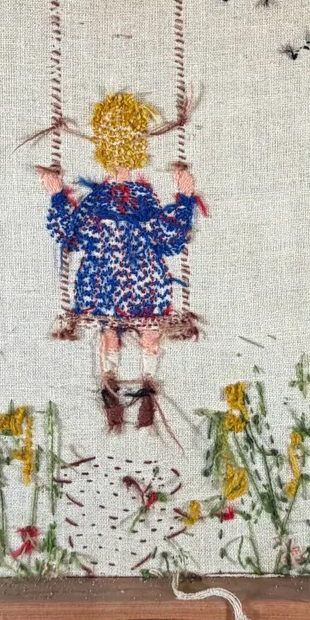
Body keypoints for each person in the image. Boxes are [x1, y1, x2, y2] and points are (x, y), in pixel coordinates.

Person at [37, 92, 201, 431]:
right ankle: (118, 393)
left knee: (134, 332)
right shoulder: (107, 199)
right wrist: (56, 194)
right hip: (122, 282)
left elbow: (165, 236)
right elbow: (71, 234)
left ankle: (140, 394)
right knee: (120, 332)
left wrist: (185, 198)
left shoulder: (133, 198)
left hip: (119, 282)